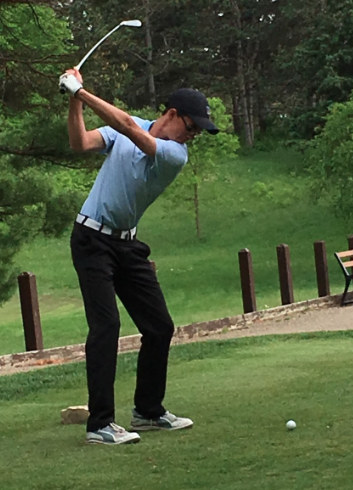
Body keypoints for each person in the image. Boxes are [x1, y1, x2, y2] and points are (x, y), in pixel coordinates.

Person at [59, 68, 219, 445]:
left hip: (128, 246)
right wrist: (73, 102)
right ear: (173, 113)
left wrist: (81, 92)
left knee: (159, 326)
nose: (194, 135)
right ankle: (100, 424)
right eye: (192, 126)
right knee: (106, 326)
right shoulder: (125, 128)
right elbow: (80, 143)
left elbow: (129, 126)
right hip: (91, 240)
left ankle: (148, 411)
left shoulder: (174, 155)